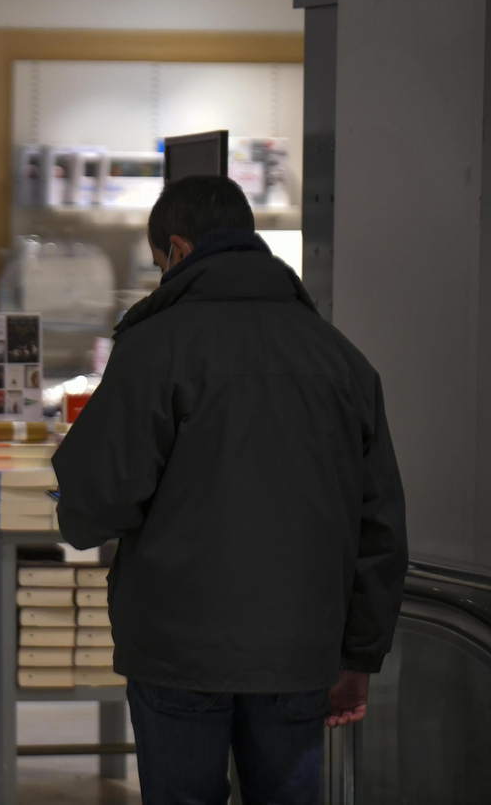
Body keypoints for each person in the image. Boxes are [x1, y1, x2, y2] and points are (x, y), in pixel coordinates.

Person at [52, 175, 407, 805]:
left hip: (177, 647)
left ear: (180, 251)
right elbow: (378, 524)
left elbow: (96, 497)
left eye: (160, 261)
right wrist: (361, 656)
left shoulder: (155, 348)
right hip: (301, 650)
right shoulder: (342, 359)